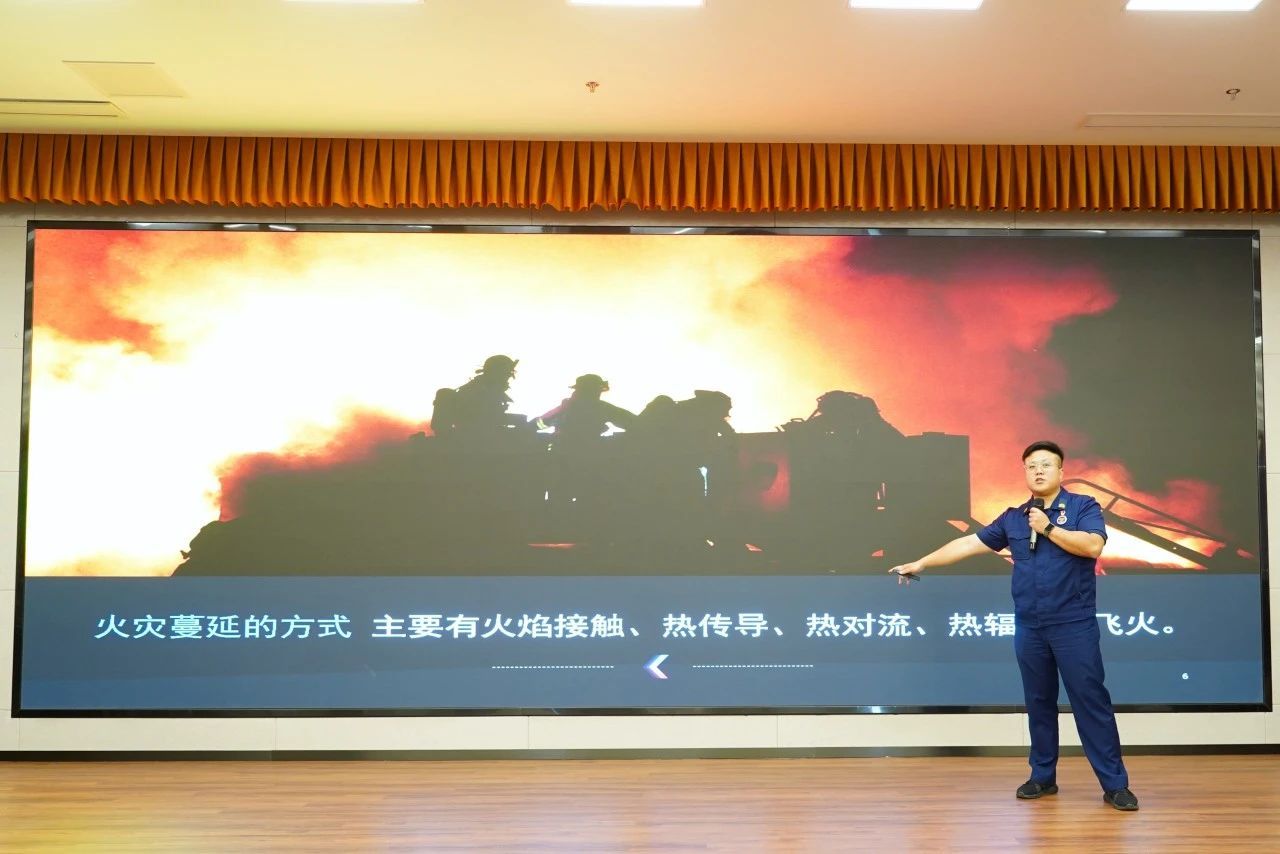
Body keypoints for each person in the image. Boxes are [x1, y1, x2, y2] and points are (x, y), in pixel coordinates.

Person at [889, 440, 1138, 812]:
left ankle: (1115, 785)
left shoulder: (1083, 506)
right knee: (1038, 701)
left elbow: (1092, 547)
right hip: (1029, 626)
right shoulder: (1014, 517)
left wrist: (1049, 528)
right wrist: (921, 563)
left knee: (1090, 701)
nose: (1038, 471)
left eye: (1046, 464)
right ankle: (1042, 776)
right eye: (1031, 466)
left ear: (1061, 471)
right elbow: (968, 544)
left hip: (1073, 623)